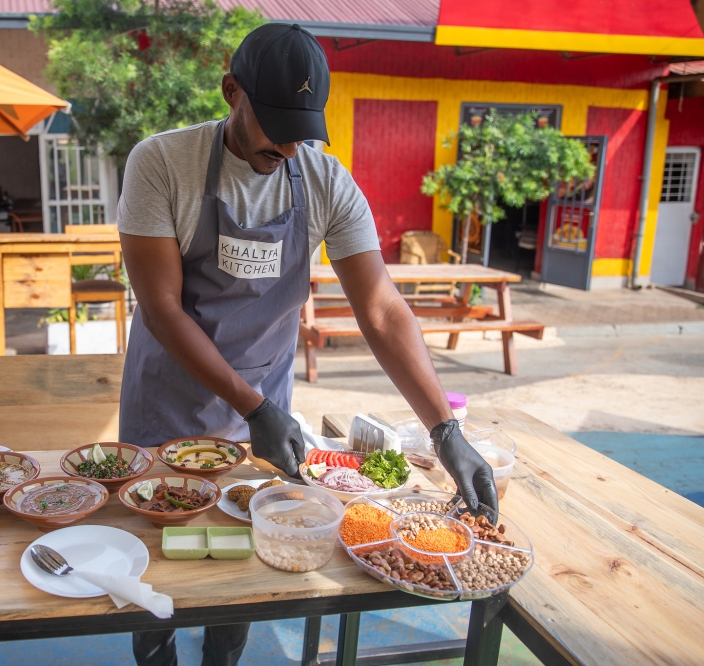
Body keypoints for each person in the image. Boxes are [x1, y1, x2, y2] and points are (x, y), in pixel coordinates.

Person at [117, 23, 498, 666]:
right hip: (169, 406)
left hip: (265, 409)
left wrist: (445, 430)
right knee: (157, 568)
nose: (289, 145)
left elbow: (380, 309)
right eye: (275, 124)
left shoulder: (324, 182)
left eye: (302, 129)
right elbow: (161, 308)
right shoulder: (161, 163)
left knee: (244, 572)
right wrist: (253, 406)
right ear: (230, 91)